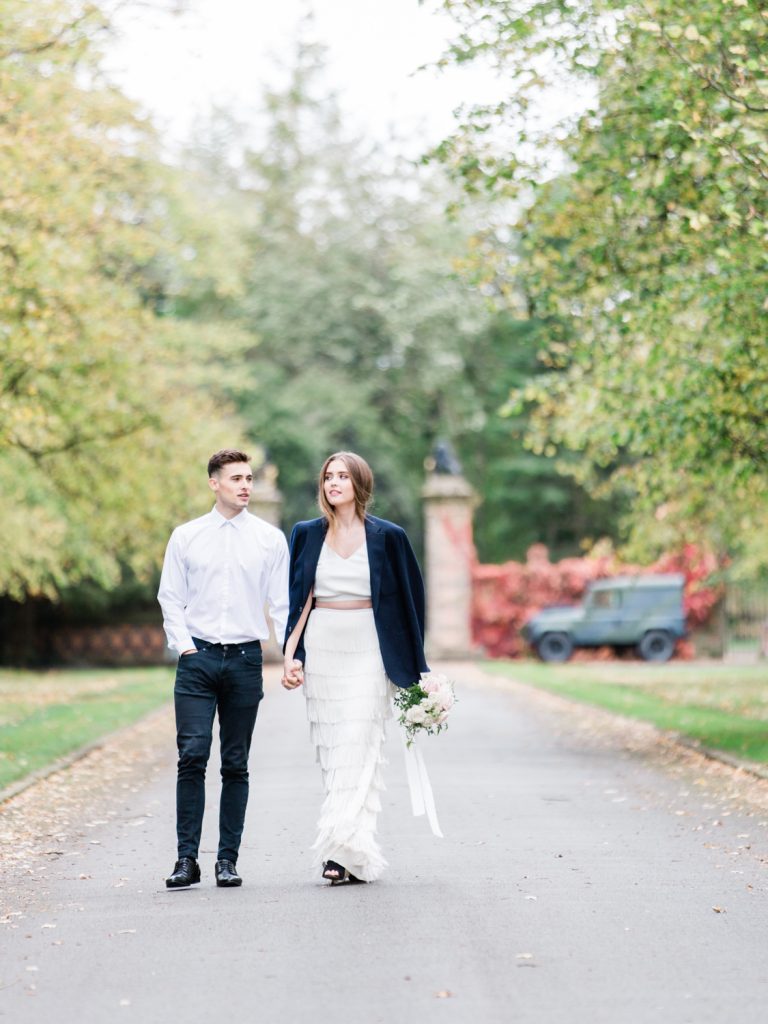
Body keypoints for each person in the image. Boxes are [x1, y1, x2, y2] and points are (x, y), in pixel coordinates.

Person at [282, 451, 429, 884]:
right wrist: (294, 656)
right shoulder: (306, 534)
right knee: (335, 753)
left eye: (343, 476)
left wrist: (417, 669)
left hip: (369, 645)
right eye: (328, 476)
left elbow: (411, 602)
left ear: (359, 483)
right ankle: (352, 853)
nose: (334, 483)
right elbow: (297, 600)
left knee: (358, 744)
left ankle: (337, 849)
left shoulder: (389, 536)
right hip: (324, 643)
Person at [158, 448, 289, 889]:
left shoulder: (270, 540)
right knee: (191, 757)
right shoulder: (187, 536)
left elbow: (282, 604)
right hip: (198, 659)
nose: (246, 485)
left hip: (245, 660)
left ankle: (227, 860)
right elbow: (170, 597)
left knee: (235, 763)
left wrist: (291, 653)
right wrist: (185, 647)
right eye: (236, 478)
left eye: (249, 478)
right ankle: (185, 859)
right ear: (214, 483)